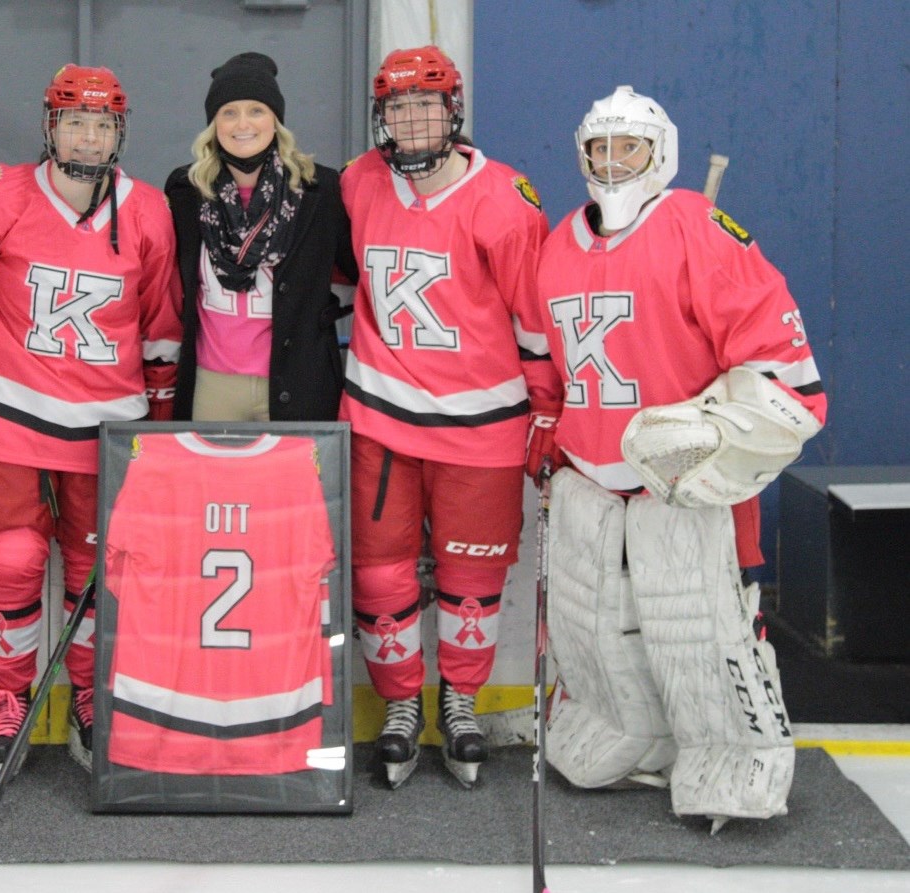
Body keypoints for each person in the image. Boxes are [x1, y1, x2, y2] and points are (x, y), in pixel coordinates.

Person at [533, 85, 825, 830]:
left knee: (699, 632)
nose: (610, 162)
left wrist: (721, 433)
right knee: (592, 626)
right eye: (598, 148)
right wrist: (548, 438)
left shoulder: (698, 225)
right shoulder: (559, 242)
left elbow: (773, 354)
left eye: (626, 147)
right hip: (592, 477)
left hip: (680, 483)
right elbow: (548, 361)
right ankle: (619, 733)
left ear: (658, 153)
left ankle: (733, 761)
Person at [338, 46, 555, 789]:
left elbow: (535, 322)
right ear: (381, 116)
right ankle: (401, 707)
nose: (412, 119)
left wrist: (548, 414)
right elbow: (333, 275)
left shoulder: (505, 199)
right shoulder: (359, 182)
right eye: (397, 107)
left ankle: (458, 702)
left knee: (470, 576)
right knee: (380, 574)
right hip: (379, 419)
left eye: (425, 105)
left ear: (452, 110)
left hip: (481, 426)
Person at [0, 64, 180, 773]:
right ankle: (8, 698)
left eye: (102, 123)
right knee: (10, 559)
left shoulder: (145, 210)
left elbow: (161, 320)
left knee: (94, 573)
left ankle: (89, 694)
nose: (88, 135)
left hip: (105, 427)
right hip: (7, 418)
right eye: (75, 121)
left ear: (119, 132)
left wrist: (159, 412)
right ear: (49, 126)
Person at [164, 51, 356, 422]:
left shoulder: (321, 191)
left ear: (276, 120)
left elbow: (358, 271)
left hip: (299, 382)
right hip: (211, 383)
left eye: (256, 110)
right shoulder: (186, 192)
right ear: (213, 124)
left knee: (292, 482)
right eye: (229, 112)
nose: (243, 124)